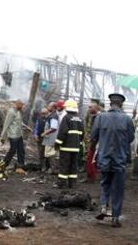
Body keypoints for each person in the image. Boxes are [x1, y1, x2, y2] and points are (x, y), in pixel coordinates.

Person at [92, 93, 135, 227]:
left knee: (105, 184)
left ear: (110, 104)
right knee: (118, 189)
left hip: (104, 158)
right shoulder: (127, 120)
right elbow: (131, 138)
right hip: (119, 159)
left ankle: (104, 207)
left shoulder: (100, 118)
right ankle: (115, 218)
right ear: (121, 105)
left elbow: (94, 137)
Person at [54, 100, 84, 189]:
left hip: (66, 147)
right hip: (76, 148)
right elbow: (82, 133)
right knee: (73, 165)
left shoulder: (66, 118)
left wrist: (57, 144)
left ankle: (62, 183)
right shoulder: (80, 119)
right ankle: (72, 183)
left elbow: (62, 132)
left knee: (64, 165)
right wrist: (79, 144)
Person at [0, 100, 26, 174]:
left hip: (19, 135)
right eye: (22, 105)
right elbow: (6, 124)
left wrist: (26, 127)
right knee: (12, 151)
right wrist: (3, 137)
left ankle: (20, 167)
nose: (23, 107)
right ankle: (4, 165)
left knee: (21, 151)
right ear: (18, 104)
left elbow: (19, 122)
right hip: (13, 136)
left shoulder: (18, 111)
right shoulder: (11, 112)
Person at [83, 99, 102, 182]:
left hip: (95, 141)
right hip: (90, 140)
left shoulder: (99, 117)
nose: (89, 108)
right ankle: (89, 175)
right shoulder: (91, 115)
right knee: (89, 158)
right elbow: (87, 126)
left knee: (92, 159)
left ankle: (91, 177)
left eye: (90, 107)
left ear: (96, 108)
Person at [42, 102, 60, 174]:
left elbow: (53, 128)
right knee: (53, 153)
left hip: (51, 138)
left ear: (53, 108)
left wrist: (45, 133)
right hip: (51, 137)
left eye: (49, 106)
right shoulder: (52, 115)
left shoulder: (54, 116)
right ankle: (53, 169)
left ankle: (53, 169)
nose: (47, 107)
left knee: (50, 153)